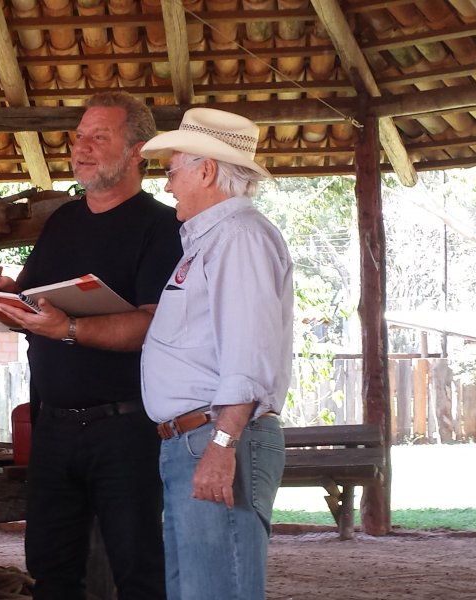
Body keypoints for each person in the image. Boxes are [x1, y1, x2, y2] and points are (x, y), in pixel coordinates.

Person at [0, 91, 181, 599]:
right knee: (50, 569)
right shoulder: (63, 220)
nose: (81, 148)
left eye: (98, 137)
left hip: (128, 428)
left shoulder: (161, 227)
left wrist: (69, 329)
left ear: (137, 150)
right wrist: (2, 297)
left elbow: (152, 326)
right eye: (79, 137)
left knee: (138, 571)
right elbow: (33, 304)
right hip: (54, 427)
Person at [138, 108, 293, 599]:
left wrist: (222, 447)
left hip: (216, 437)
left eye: (171, 172)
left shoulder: (238, 236)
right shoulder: (213, 240)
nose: (167, 187)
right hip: (195, 439)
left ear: (205, 171)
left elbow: (247, 353)